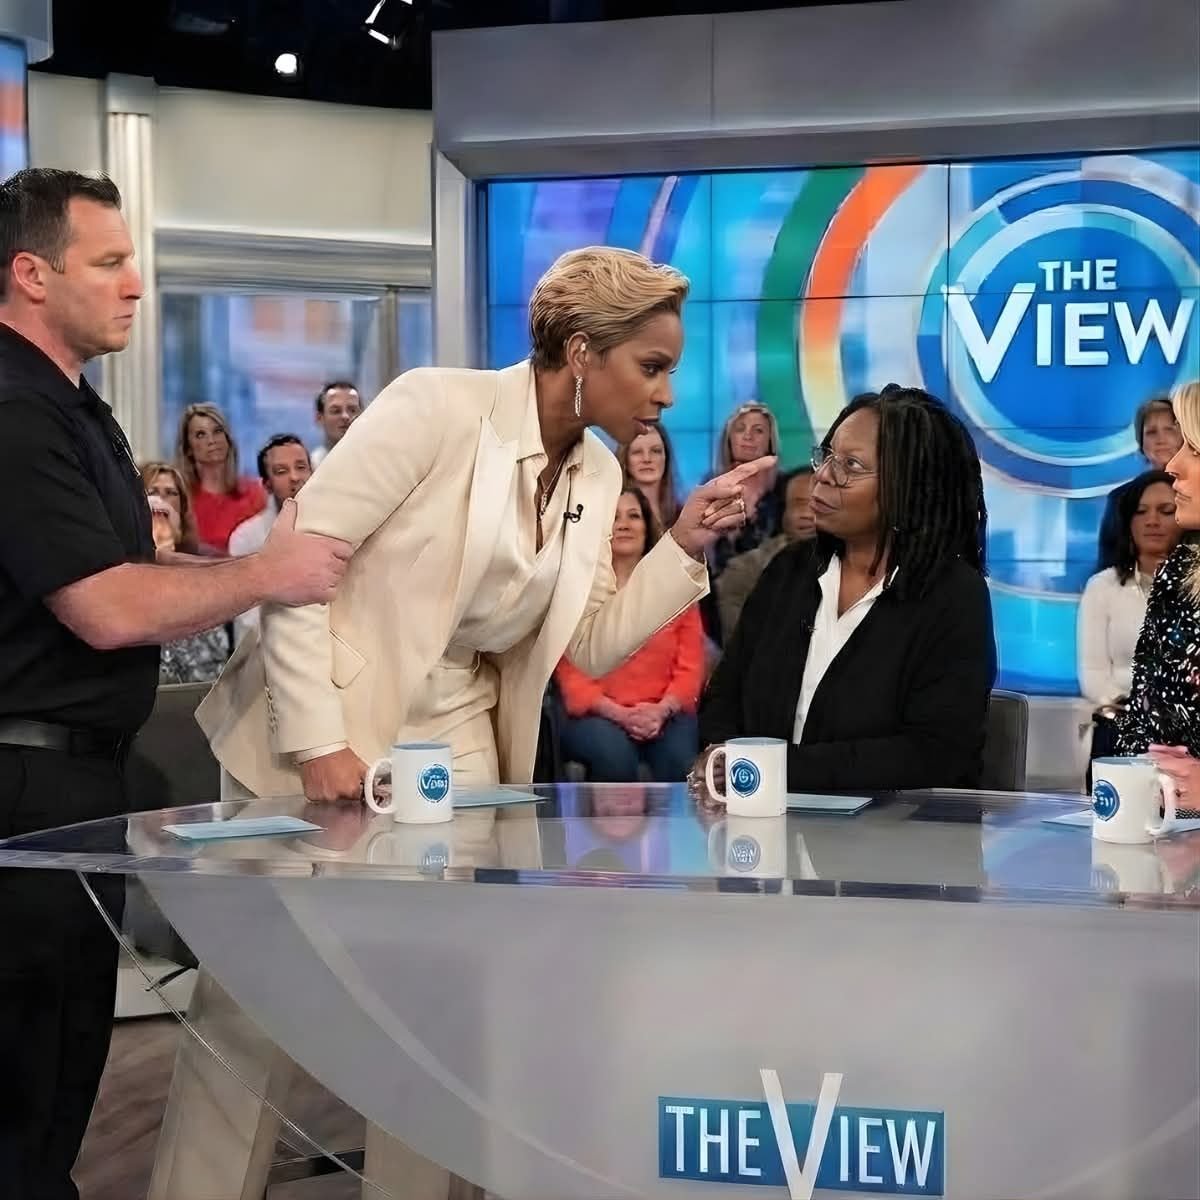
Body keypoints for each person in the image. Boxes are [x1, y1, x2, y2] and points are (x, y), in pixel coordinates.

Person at [195, 245, 773, 1200]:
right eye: (652, 366)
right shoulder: (435, 407)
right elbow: (297, 569)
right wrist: (319, 743)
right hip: (320, 722)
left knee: (441, 1016)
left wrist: (681, 542)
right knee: (257, 1008)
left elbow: (587, 641)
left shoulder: (595, 471)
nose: (668, 394)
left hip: (454, 745)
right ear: (581, 351)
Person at [0, 168, 349, 1200]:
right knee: (25, 1074)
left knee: (61, 1066)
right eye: (108, 262)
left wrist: (245, 571)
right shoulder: (16, 413)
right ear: (31, 274)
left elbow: (136, 566)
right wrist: (268, 575)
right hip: (24, 780)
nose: (134, 284)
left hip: (75, 777)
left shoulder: (73, 404)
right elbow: (106, 606)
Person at [692, 384, 996, 797]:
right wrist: (721, 757)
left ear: (909, 485)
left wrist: (772, 769)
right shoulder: (788, 571)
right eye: (828, 456)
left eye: (850, 465)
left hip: (898, 830)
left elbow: (934, 754)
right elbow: (724, 696)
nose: (823, 476)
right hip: (764, 821)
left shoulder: (954, 596)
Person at [555, 489, 703, 781]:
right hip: (597, 714)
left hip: (666, 711)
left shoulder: (676, 588)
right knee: (614, 757)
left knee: (678, 758)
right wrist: (619, 714)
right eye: (614, 517)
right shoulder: (577, 590)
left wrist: (661, 710)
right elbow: (571, 675)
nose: (624, 524)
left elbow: (691, 667)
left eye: (633, 516)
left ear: (647, 527)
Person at [1119, 380, 1200, 813]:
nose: (1173, 465)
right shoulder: (1177, 573)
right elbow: (1140, 717)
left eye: (1194, 450)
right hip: (1164, 825)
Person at [1077, 470, 1179, 762]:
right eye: (1141, 512)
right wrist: (1140, 712)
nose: (1152, 521)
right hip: (1122, 723)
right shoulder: (1103, 586)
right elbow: (1093, 675)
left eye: (1166, 511)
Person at [228, 434, 313, 642]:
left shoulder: (335, 528)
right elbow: (246, 618)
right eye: (281, 471)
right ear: (266, 484)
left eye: (301, 467)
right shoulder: (245, 538)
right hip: (268, 647)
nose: (295, 477)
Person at [144, 489, 231, 684]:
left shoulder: (203, 598)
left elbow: (211, 677)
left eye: (163, 522)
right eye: (151, 524)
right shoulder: (119, 595)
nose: (158, 532)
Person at [716, 467, 816, 637]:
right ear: (783, 512)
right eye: (799, 504)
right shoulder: (744, 571)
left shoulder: (856, 568)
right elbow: (742, 641)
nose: (807, 514)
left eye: (817, 504)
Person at [1097, 394, 1183, 570]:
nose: (1161, 439)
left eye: (1170, 430)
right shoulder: (1120, 498)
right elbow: (1109, 564)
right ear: (1141, 443)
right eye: (1151, 432)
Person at [175, 401, 266, 554]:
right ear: (188, 448)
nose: (212, 441)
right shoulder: (182, 500)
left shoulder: (255, 493)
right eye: (200, 435)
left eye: (217, 431)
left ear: (228, 439)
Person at [708, 401, 782, 577]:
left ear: (770, 441)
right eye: (740, 429)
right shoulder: (710, 488)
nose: (748, 436)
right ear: (729, 438)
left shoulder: (783, 488)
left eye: (758, 430)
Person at [616, 420, 683, 530]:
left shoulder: (682, 516)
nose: (647, 459)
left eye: (655, 451)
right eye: (637, 452)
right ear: (625, 460)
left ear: (666, 458)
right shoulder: (610, 514)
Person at [141, 460, 200, 553]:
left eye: (170, 493)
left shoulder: (203, 556)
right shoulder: (123, 554)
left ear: (182, 505)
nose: (161, 499)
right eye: (152, 492)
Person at [310, 379, 362, 467]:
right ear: (319, 418)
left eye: (352, 410)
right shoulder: (311, 468)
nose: (345, 416)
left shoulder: (376, 463)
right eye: (336, 411)